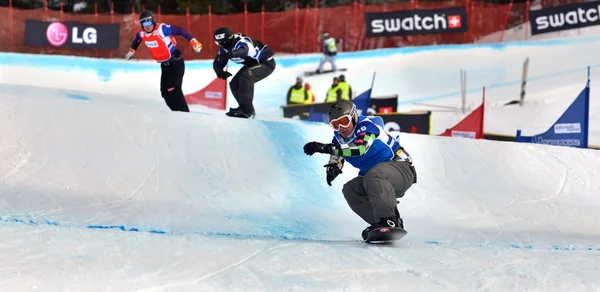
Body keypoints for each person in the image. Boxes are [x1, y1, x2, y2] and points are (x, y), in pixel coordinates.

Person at [302, 100, 417, 241]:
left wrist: (323, 148)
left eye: (344, 121)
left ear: (354, 117)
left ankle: (388, 219)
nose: (341, 127)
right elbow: (338, 154)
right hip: (377, 179)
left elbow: (360, 148)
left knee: (374, 175)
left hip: (401, 169)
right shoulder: (339, 139)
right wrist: (334, 167)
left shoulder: (367, 126)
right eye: (335, 124)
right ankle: (383, 222)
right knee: (350, 190)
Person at [125, 10, 203, 112]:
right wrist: (132, 50)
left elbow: (180, 30)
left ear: (153, 21)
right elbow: (137, 39)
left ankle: (185, 114)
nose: (147, 26)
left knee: (175, 89)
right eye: (144, 24)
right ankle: (176, 113)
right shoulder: (142, 33)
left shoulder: (161, 29)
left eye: (149, 23)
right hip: (165, 66)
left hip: (175, 62)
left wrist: (194, 42)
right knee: (165, 93)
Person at [212, 27, 276, 119]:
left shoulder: (241, 41)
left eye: (221, 42)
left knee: (245, 76)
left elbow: (243, 51)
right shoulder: (224, 49)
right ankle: (246, 109)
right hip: (251, 65)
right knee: (234, 83)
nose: (220, 45)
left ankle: (246, 109)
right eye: (217, 43)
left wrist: (231, 54)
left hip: (266, 63)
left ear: (227, 40)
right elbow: (217, 63)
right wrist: (220, 72)